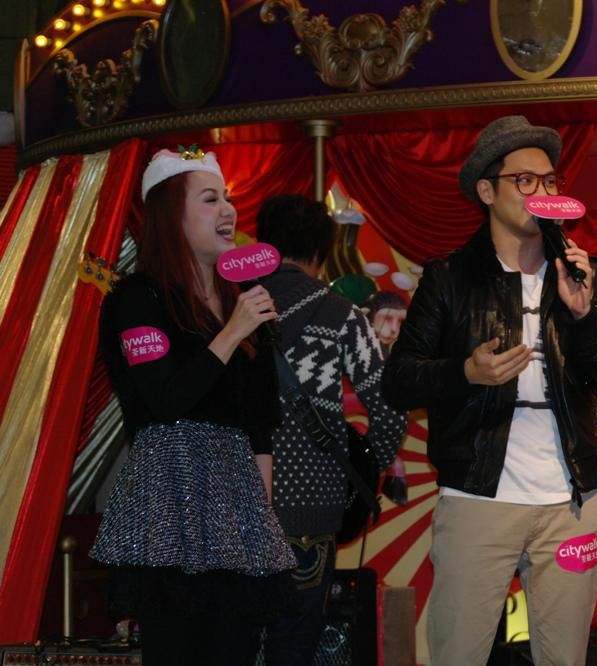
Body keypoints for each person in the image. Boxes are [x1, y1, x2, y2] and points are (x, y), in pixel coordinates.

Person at [382, 115, 597, 666]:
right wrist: (465, 373)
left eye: (550, 181)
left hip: (571, 504)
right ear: (486, 191)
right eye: (524, 181)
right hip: (478, 498)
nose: (540, 192)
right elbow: (398, 381)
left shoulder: (584, 275)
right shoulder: (449, 278)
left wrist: (585, 317)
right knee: (458, 655)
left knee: (564, 658)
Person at [91, 148, 295, 666]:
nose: (227, 210)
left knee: (237, 648)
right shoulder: (137, 299)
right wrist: (231, 333)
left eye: (227, 198)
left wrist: (262, 517)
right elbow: (165, 400)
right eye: (210, 199)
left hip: (238, 504)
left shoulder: (242, 301)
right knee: (177, 645)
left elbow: (260, 424)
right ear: (170, 215)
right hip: (169, 497)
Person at [254, 194, 407, 666]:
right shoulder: (342, 314)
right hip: (311, 504)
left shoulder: (229, 307)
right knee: (294, 646)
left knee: (234, 643)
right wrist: (364, 469)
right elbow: (390, 409)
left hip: (235, 501)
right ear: (322, 252)